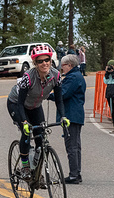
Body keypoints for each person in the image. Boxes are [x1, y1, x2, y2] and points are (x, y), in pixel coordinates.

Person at [6, 44, 69, 180]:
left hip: (35, 106)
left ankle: (36, 169)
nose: (44, 63)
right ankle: (25, 167)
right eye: (40, 61)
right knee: (26, 133)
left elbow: (59, 100)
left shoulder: (56, 76)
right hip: (16, 104)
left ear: (51, 61)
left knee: (40, 137)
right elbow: (20, 103)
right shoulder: (28, 77)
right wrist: (24, 122)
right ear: (35, 63)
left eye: (47, 60)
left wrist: (63, 117)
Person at [51, 54, 86, 184]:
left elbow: (63, 94)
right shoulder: (77, 76)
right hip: (76, 114)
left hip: (71, 115)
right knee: (75, 145)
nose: (61, 68)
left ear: (69, 65)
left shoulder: (72, 78)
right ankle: (76, 173)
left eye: (63, 65)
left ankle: (74, 175)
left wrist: (49, 95)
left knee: (72, 146)